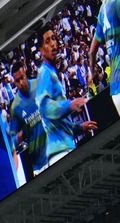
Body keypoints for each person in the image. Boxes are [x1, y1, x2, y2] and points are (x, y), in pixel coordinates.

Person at [34, 29, 91, 171]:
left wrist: (79, 127)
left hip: (66, 147)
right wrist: (70, 105)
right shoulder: (44, 73)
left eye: (54, 38)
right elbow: (45, 107)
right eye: (48, 41)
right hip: (60, 153)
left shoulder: (52, 72)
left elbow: (59, 123)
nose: (53, 44)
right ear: (41, 50)